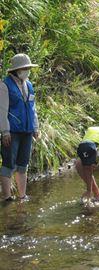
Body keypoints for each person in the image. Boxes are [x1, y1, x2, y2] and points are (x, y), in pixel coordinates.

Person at [0, 53, 39, 202]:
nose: (28, 70)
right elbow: (2, 111)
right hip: (12, 131)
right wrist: (5, 132)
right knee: (9, 164)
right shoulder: (4, 85)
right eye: (25, 68)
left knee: (23, 164)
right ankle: (7, 197)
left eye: (29, 68)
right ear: (17, 70)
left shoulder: (28, 85)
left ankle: (22, 196)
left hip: (27, 130)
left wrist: (35, 127)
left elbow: (32, 108)